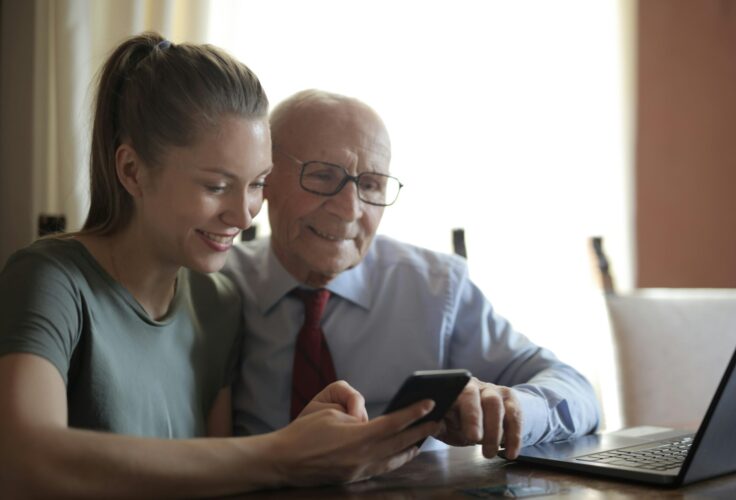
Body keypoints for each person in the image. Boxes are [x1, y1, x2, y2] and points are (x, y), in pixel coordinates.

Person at [0, 35, 439, 498]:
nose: (245, 213)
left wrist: (305, 441)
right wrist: (283, 453)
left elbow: (218, 477)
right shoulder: (50, 279)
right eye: (217, 186)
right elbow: (22, 461)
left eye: (257, 185)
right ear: (131, 171)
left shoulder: (218, 302)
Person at [223, 89, 602, 460]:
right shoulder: (217, 287)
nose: (350, 209)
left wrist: (511, 406)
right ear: (264, 179)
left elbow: (578, 393)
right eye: (323, 176)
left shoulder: (436, 288)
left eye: (370, 184)